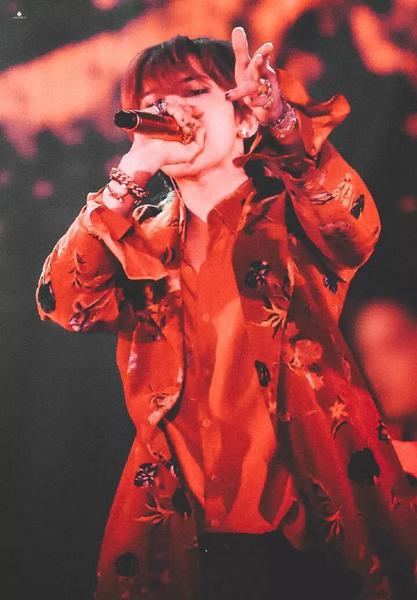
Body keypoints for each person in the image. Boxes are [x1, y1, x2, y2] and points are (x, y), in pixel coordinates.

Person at [36, 27, 416, 600]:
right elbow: (64, 303)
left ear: (241, 118)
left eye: (194, 91)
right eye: (153, 102)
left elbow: (352, 226)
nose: (173, 110)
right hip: (184, 539)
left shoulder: (292, 217)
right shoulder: (138, 243)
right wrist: (130, 174)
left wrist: (280, 119)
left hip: (312, 530)